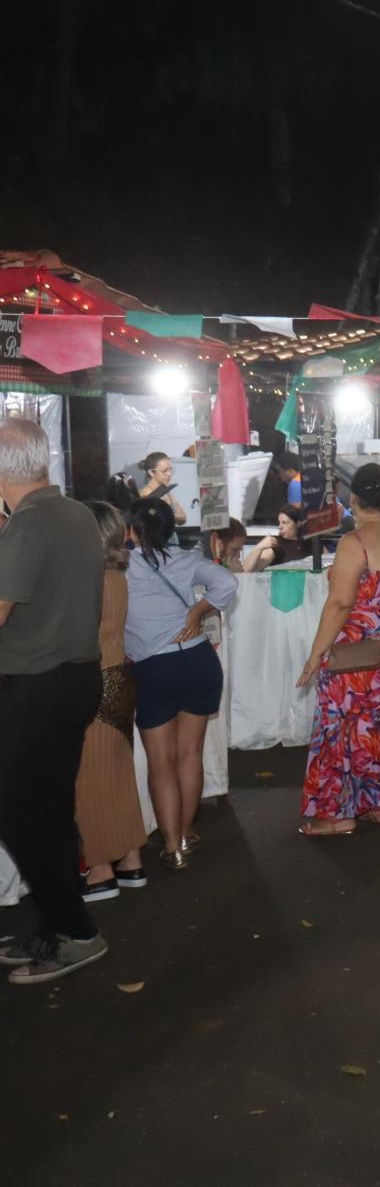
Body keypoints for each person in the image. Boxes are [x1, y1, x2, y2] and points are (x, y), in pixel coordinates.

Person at [0, 418, 110, 984]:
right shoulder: (75, 513)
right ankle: (54, 926)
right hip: (75, 679)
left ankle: (77, 931)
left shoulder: (28, 524)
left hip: (35, 685)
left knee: (22, 815)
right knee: (48, 810)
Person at [294, 464, 380, 836]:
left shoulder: (355, 543)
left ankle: (337, 816)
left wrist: (315, 654)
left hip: (356, 651)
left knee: (343, 729)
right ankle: (379, 804)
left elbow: (340, 603)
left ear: (353, 497)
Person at [124, 498, 238, 867]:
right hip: (199, 661)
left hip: (154, 667)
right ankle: (187, 834)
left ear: (132, 531)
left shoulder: (121, 566)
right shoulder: (187, 559)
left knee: (161, 761)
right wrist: (199, 610)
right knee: (190, 754)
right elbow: (227, 582)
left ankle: (172, 846)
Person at [76, 503, 148, 902]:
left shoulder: (88, 580)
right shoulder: (118, 574)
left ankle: (101, 870)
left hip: (95, 683)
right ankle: (131, 861)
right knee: (119, 775)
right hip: (119, 678)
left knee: (90, 780)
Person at [241, 505, 311, 572]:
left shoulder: (308, 544)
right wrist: (259, 547)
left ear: (298, 523)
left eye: (284, 523)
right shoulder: (276, 544)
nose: (280, 527)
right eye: (279, 523)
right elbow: (246, 571)